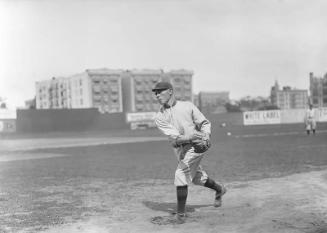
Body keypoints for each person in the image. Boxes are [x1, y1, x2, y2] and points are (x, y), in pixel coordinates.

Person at [152, 81, 226, 224]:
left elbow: (204, 123)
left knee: (180, 174)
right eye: (155, 92)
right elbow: (175, 138)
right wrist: (190, 137)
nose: (157, 95)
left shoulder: (187, 106)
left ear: (170, 91)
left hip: (198, 145)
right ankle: (219, 189)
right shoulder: (160, 117)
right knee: (197, 177)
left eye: (160, 91)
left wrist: (205, 135)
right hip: (181, 148)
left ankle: (180, 215)